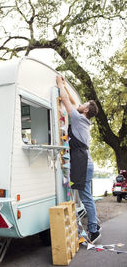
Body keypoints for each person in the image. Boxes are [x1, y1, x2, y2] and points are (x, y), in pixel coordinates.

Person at [56, 75, 101, 244]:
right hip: (86, 163)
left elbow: (68, 101)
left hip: (83, 164)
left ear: (86, 110)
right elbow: (75, 103)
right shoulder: (82, 119)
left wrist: (59, 83)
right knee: (87, 196)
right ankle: (94, 224)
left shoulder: (77, 118)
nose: (80, 105)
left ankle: (94, 230)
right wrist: (65, 85)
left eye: (84, 104)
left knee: (86, 198)